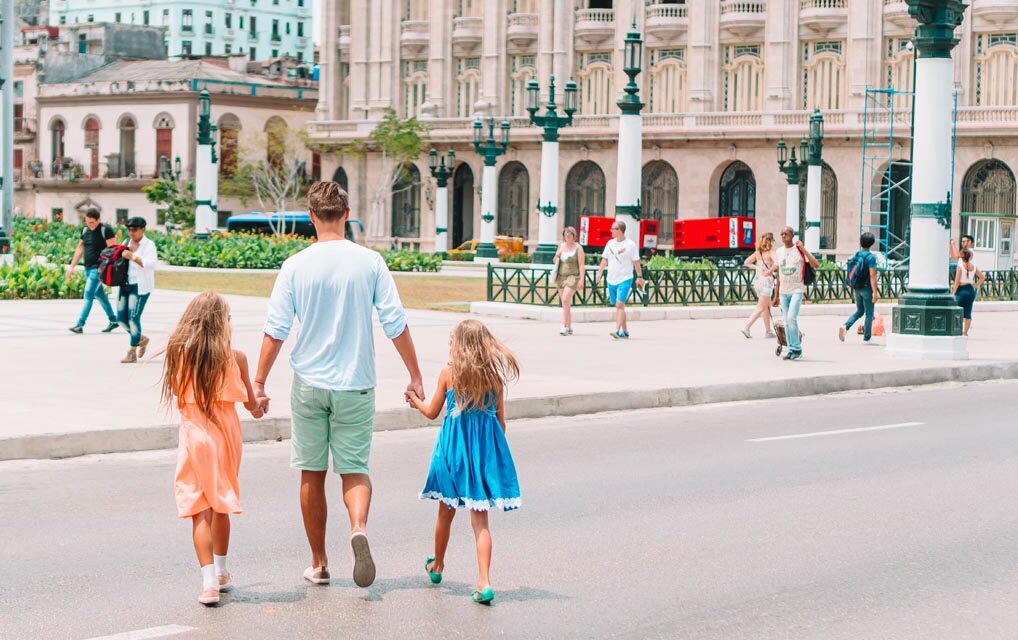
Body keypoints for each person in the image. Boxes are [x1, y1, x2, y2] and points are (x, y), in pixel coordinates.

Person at [255, 181, 423, 589]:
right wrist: (416, 375)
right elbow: (394, 323)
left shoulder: (295, 265)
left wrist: (258, 382)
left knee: (311, 473)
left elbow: (276, 330)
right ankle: (358, 527)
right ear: (346, 214)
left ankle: (319, 562)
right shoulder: (370, 263)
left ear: (311, 217)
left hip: (310, 384)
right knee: (354, 470)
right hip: (356, 384)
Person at [407, 319, 521, 606]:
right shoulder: (494, 380)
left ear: (458, 346)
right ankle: (484, 581)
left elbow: (432, 411)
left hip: (452, 456)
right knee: (480, 522)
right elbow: (501, 425)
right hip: (479, 459)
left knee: (445, 512)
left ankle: (438, 566)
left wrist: (413, 400)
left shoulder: (449, 373)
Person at [162, 292, 265, 606]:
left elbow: (181, 393)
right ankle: (221, 571)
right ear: (222, 323)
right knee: (221, 501)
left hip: (195, 432)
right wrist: (260, 404)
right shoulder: (237, 357)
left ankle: (208, 582)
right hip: (225, 432)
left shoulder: (179, 353)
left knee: (199, 508)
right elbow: (252, 406)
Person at [66, 208, 119, 334]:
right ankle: (113, 320)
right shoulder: (85, 230)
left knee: (88, 294)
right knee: (99, 295)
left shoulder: (105, 230)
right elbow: (79, 249)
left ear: (98, 220)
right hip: (88, 269)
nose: (90, 225)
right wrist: (71, 266)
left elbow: (113, 250)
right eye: (87, 222)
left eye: (92, 223)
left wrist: (106, 269)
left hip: (99, 269)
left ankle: (80, 324)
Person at [595, 219, 645, 340]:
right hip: (611, 279)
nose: (611, 230)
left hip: (625, 278)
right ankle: (625, 331)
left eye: (613, 228)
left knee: (619, 304)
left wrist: (639, 277)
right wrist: (600, 272)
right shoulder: (610, 243)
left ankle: (617, 330)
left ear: (620, 230)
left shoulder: (630, 245)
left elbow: (636, 262)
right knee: (619, 306)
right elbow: (604, 259)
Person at [774, 226, 818, 361]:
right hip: (783, 292)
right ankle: (792, 349)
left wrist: (803, 249)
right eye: (781, 234)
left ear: (792, 236)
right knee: (787, 322)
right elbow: (779, 274)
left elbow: (815, 264)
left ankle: (797, 348)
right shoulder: (779, 251)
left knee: (791, 318)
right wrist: (775, 295)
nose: (783, 236)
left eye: (786, 233)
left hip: (796, 290)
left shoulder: (798, 250)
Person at [118, 217, 158, 363]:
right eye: (129, 229)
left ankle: (132, 351)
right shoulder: (125, 243)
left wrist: (133, 257)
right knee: (121, 319)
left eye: (134, 230)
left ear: (143, 229)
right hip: (125, 285)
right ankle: (141, 338)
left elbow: (151, 264)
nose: (131, 232)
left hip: (140, 287)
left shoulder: (149, 245)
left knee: (133, 318)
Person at [840, 232, 880, 344]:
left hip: (857, 287)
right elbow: (872, 275)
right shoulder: (871, 257)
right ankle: (867, 338)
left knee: (859, 310)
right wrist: (875, 293)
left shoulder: (856, 254)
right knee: (869, 313)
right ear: (872, 243)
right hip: (867, 288)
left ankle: (845, 325)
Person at [741, 232, 777, 339]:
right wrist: (770, 271)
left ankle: (768, 331)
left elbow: (747, 262)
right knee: (761, 307)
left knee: (766, 306)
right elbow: (777, 263)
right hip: (766, 282)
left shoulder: (758, 253)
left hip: (757, 281)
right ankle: (746, 327)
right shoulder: (771, 252)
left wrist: (758, 268)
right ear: (771, 241)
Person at [553, 227, 586, 336]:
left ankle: (565, 326)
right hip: (561, 276)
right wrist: (557, 254)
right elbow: (555, 260)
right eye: (566, 234)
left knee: (566, 299)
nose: (568, 236)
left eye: (570, 234)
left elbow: (581, 264)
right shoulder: (561, 246)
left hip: (573, 276)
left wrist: (582, 279)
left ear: (574, 235)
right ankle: (570, 326)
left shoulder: (578, 248)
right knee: (565, 303)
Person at [953, 248, 986, 336]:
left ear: (962, 256)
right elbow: (983, 277)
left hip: (961, 290)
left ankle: (958, 330)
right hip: (970, 291)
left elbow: (956, 283)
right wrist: (975, 285)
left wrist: (953, 293)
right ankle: (965, 332)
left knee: (957, 312)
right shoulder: (974, 266)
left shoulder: (960, 267)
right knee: (968, 313)